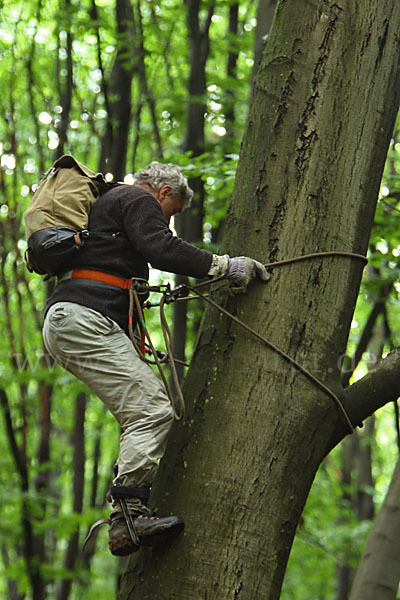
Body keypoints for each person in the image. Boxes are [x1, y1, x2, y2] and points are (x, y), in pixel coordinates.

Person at [42, 161, 269, 556]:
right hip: (83, 318)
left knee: (141, 409)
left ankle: (128, 515)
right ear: (163, 193)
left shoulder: (110, 210)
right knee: (151, 409)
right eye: (173, 211)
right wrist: (224, 267)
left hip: (75, 319)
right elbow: (160, 247)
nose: (170, 220)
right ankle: (128, 515)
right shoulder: (135, 197)